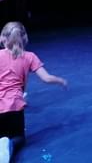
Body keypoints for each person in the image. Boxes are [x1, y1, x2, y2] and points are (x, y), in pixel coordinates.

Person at [0, 21, 67, 162]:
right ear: (24, 39)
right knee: (19, 138)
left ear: (3, 38)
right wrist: (60, 80)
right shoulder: (30, 56)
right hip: (15, 105)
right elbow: (46, 78)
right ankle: (9, 143)